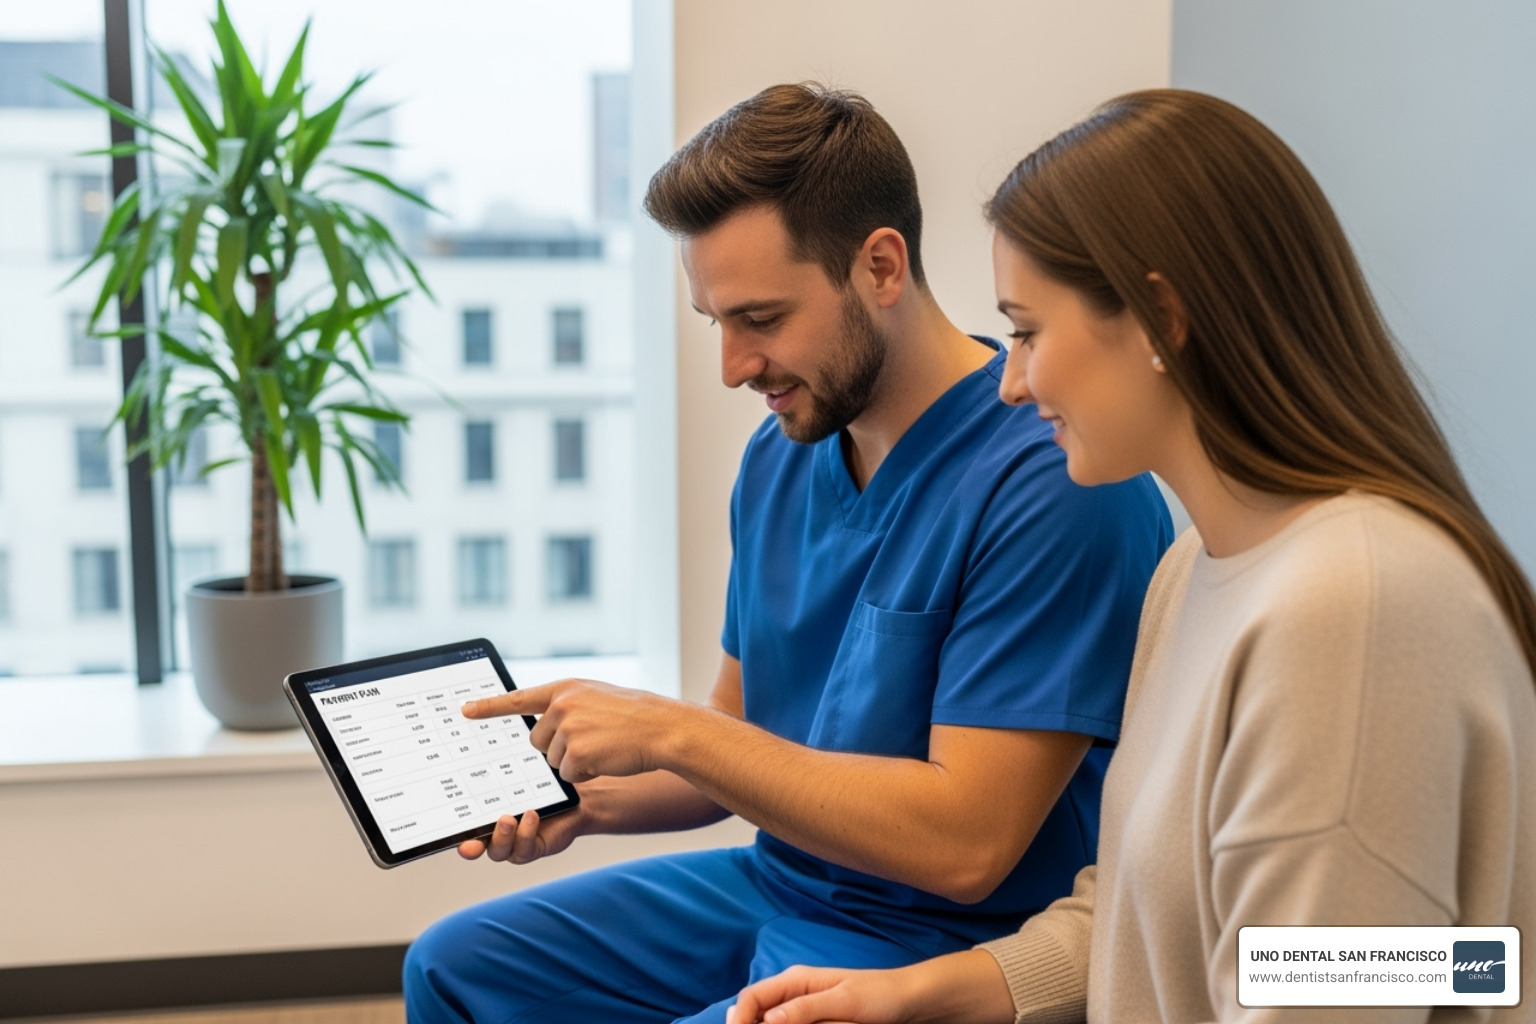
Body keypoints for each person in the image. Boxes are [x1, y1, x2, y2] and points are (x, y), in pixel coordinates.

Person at [727, 88, 1536, 1024]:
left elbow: (1377, 973)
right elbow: (1168, 914)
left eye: (1028, 330)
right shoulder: (1194, 577)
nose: (1014, 380)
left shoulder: (1355, 606)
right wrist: (928, 992)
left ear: (1159, 319)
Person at [402, 83, 1171, 1024]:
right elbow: (738, 743)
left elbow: (968, 847)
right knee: (450, 966)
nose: (732, 365)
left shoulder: (1055, 480)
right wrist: (586, 802)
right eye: (714, 323)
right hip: (785, 885)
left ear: (881, 266)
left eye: (760, 320)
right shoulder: (782, 455)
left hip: (944, 934)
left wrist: (672, 729)